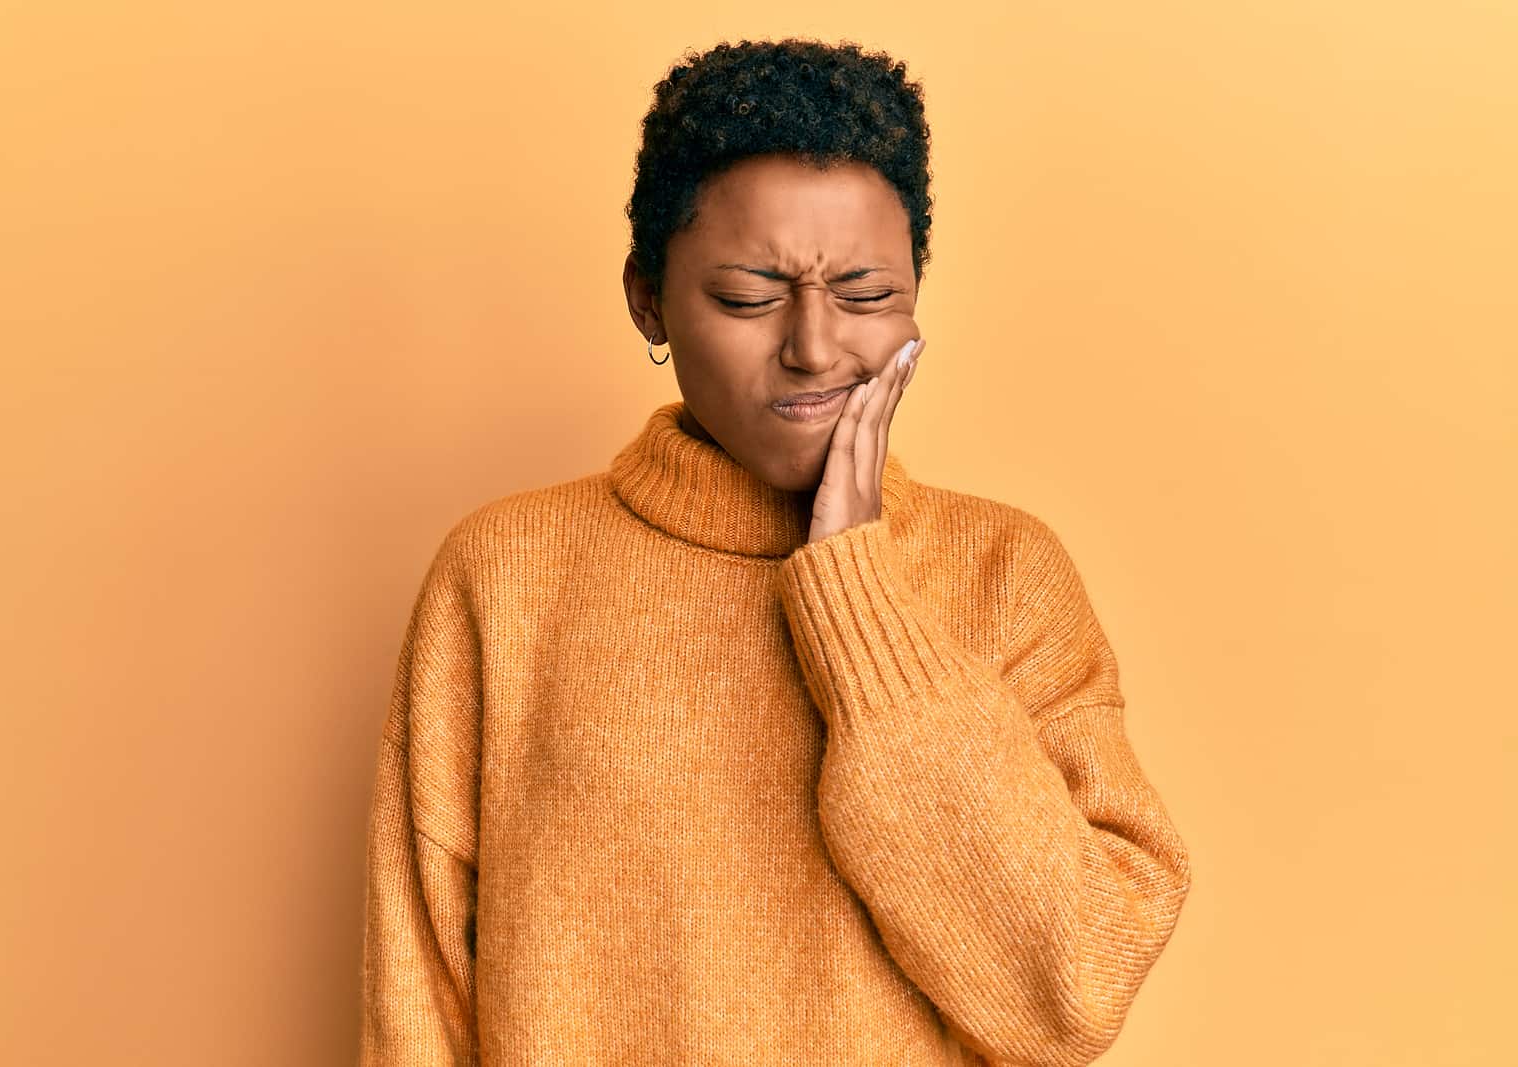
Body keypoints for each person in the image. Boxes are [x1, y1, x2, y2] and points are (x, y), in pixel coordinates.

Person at [358, 37, 1191, 1067]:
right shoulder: (503, 572)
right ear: (646, 297)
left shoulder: (1005, 571)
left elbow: (1066, 994)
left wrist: (853, 583)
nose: (812, 345)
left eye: (867, 293)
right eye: (750, 296)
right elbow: (418, 990)